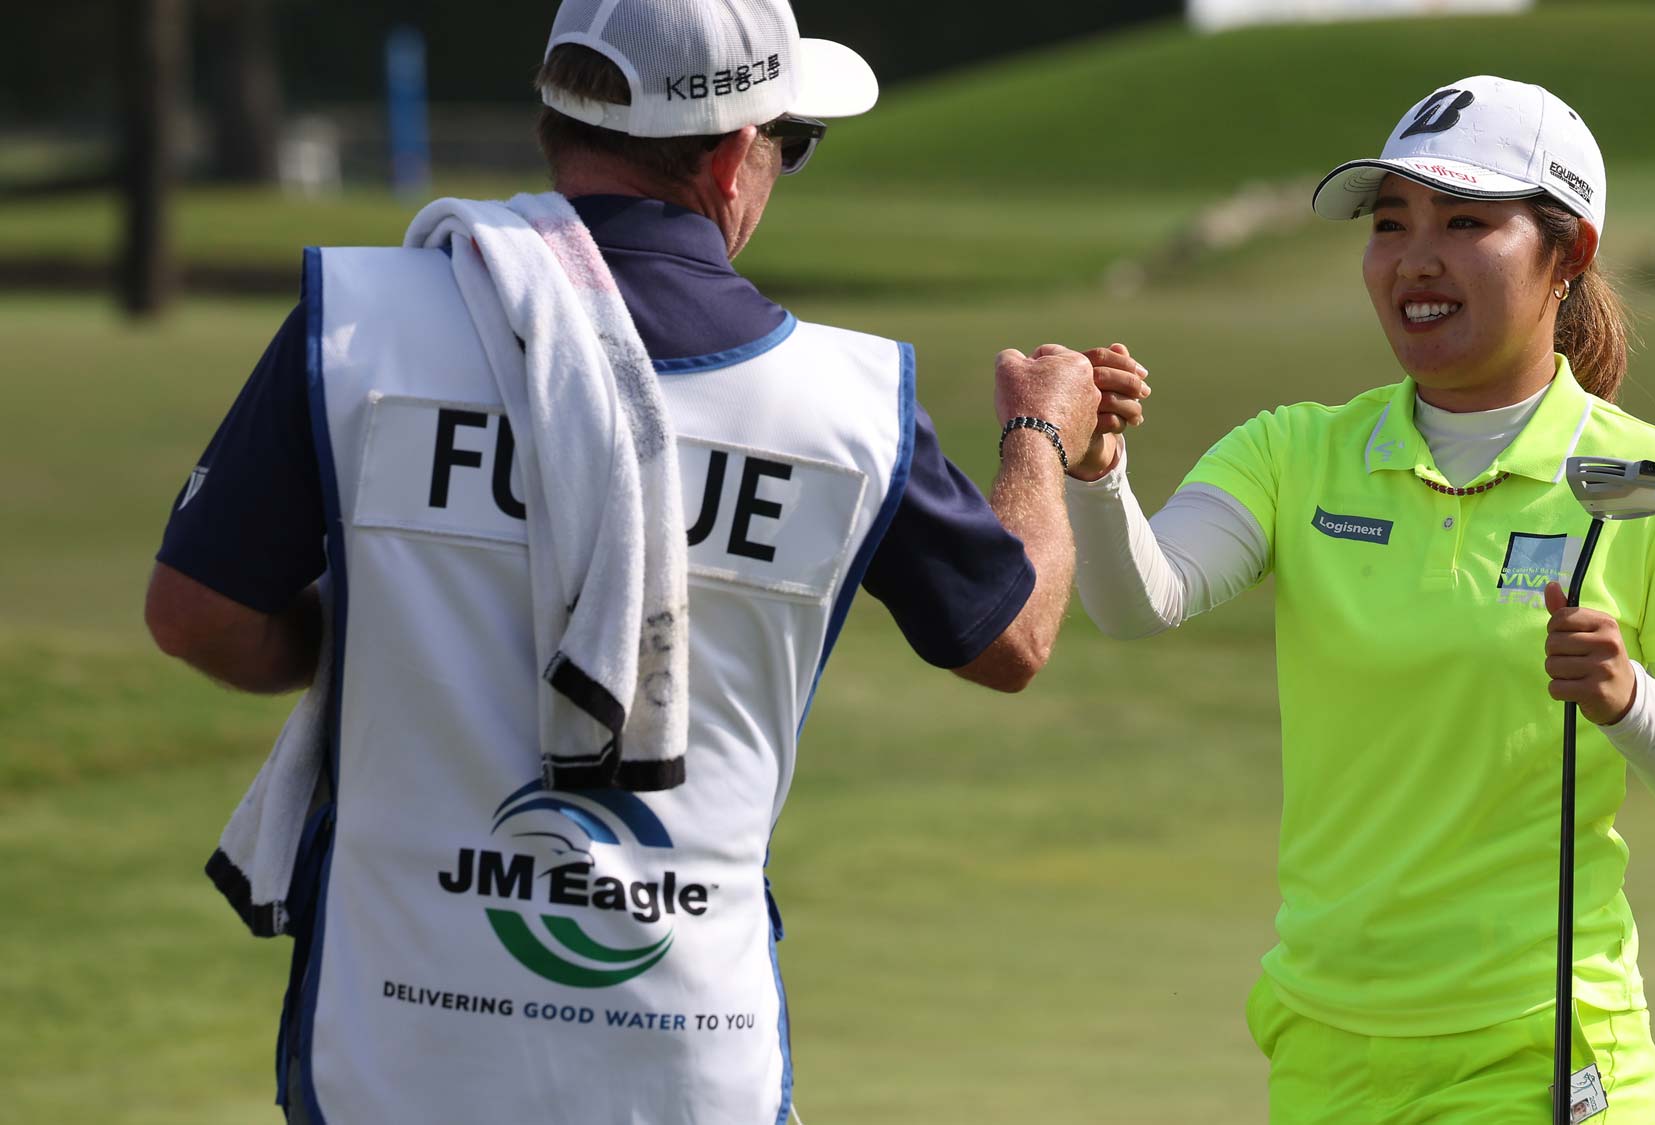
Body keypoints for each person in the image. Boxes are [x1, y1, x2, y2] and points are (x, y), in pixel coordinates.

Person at [142, 1, 1135, 1121]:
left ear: (553, 118)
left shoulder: (354, 325)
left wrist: (377, 630)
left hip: (392, 1044)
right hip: (684, 1057)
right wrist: (1039, 436)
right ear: (725, 158)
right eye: (789, 143)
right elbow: (1013, 636)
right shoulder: (846, 403)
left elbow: (197, 615)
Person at [1063, 76, 1655, 1123]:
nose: (1414, 258)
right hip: (1327, 1042)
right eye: (1389, 223)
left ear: (1566, 254)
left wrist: (1627, 699)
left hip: (1538, 1045)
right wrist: (1096, 475)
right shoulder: (1293, 451)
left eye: (1464, 222)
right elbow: (1140, 600)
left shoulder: (1649, 478)